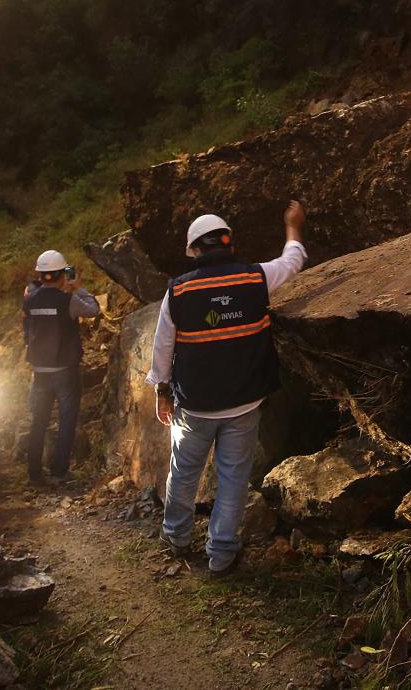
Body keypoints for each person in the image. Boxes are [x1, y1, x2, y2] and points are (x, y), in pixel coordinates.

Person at [147, 200, 307, 576]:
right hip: (244, 404)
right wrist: (293, 225)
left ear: (195, 250)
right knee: (234, 480)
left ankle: (177, 537)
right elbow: (293, 261)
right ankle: (221, 555)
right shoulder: (255, 279)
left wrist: (162, 391)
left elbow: (162, 348)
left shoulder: (179, 292)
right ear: (229, 244)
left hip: (195, 408)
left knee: (184, 474)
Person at [22, 250, 100, 484]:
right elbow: (93, 309)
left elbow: (27, 327)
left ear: (41, 274)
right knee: (67, 419)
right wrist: (78, 288)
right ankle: (58, 471)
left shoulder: (30, 299)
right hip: (64, 369)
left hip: (39, 370)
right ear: (61, 274)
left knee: (39, 419)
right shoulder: (68, 300)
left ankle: (34, 473)